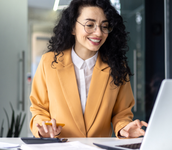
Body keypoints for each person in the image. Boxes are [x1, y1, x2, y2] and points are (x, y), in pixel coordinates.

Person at [30, 0, 148, 138]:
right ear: (73, 27)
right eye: (90, 25)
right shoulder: (49, 62)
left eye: (104, 26)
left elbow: (122, 113)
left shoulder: (117, 67)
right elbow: (39, 109)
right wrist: (44, 127)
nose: (98, 33)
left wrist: (124, 128)